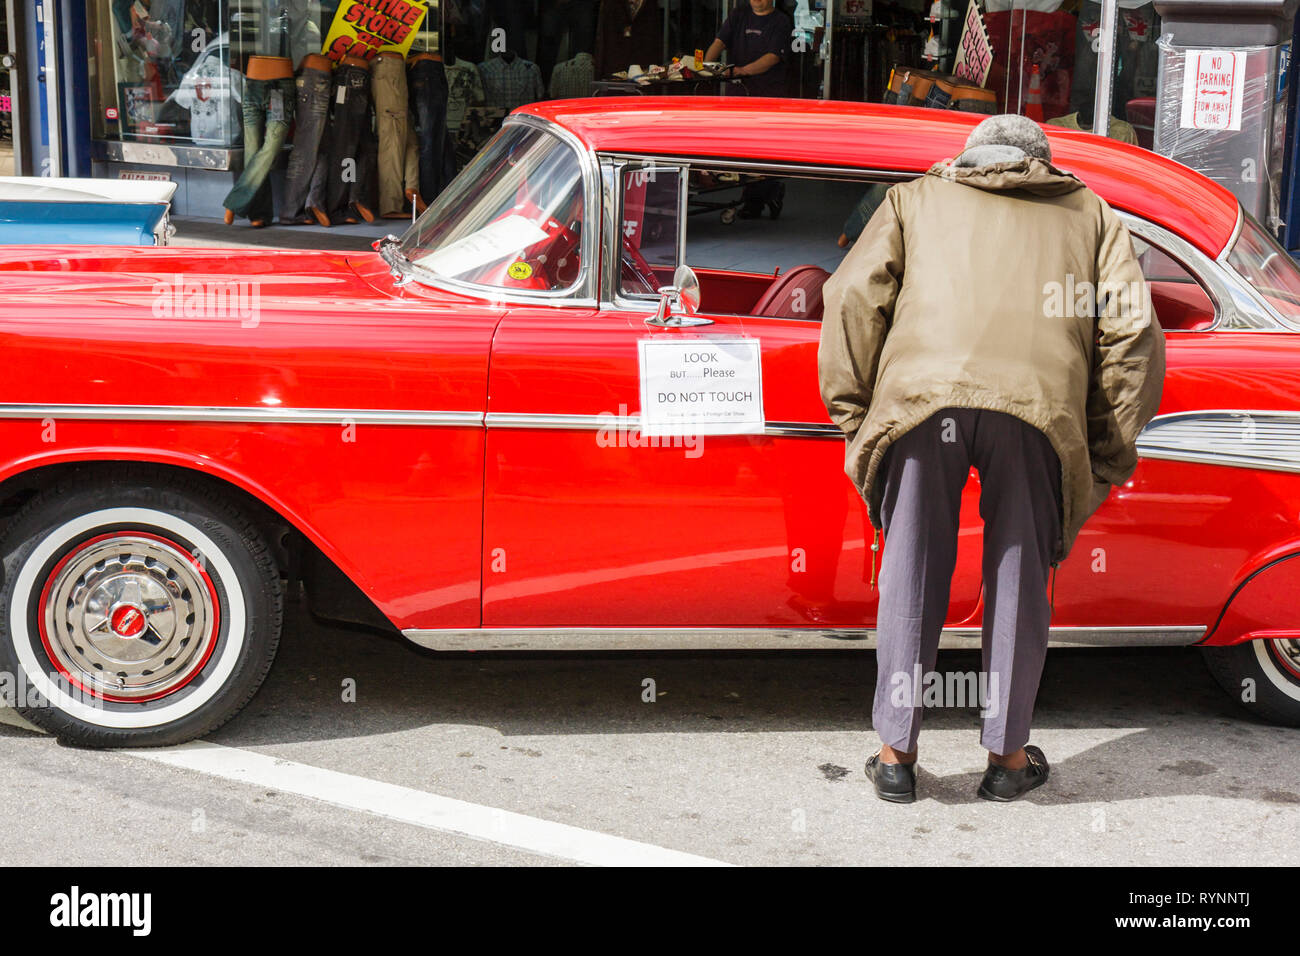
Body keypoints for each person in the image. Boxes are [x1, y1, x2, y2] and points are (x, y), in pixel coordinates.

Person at [818, 115, 1165, 803]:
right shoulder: (1089, 213)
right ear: (1041, 162)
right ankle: (1007, 761)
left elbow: (852, 301)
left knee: (911, 567)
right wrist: (1104, 453)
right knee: (1018, 574)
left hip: (923, 404)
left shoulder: (914, 200)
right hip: (1039, 413)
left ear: (970, 158)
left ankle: (895, 756)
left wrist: (856, 417)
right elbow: (1133, 335)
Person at [704, 0, 793, 97]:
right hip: (736, 93)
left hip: (767, 94)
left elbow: (773, 57)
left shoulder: (781, 21)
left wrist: (743, 70)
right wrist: (707, 66)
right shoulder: (738, 14)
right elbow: (719, 42)